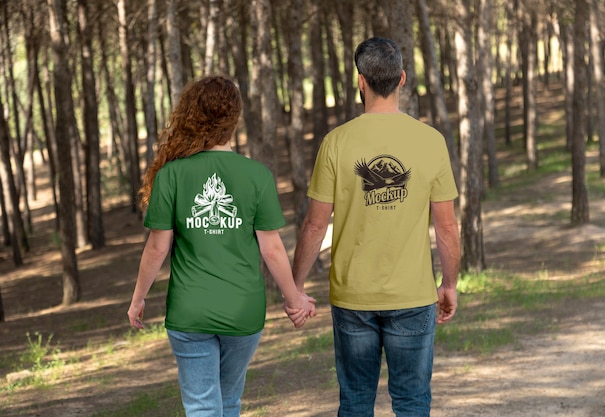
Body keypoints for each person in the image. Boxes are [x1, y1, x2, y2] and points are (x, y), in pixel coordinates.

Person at [290, 37, 460, 417]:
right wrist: (448, 285)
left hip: (353, 298)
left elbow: (315, 226)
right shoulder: (431, 141)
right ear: (401, 79)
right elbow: (447, 227)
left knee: (355, 401)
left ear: (361, 82)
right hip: (413, 296)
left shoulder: (335, 143)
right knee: (413, 402)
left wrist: (296, 287)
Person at [127, 75, 314, 417]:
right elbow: (272, 249)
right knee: (228, 403)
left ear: (191, 114)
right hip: (243, 311)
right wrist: (294, 299)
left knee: (202, 408)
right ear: (235, 118)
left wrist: (139, 297)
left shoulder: (172, 175)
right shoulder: (257, 175)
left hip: (190, 312)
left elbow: (157, 248)